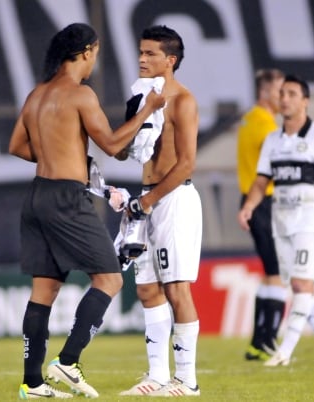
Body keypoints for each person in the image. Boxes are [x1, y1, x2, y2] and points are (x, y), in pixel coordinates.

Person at [8, 23, 165, 399]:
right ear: (86, 51)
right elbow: (111, 145)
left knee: (44, 289)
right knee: (109, 279)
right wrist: (147, 109)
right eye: (95, 52)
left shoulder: (37, 94)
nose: (96, 58)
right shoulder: (80, 94)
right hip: (65, 198)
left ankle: (32, 384)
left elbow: (16, 145)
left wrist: (53, 153)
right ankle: (68, 360)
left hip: (37, 195)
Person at [238, 75, 314, 367]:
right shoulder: (272, 140)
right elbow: (261, 180)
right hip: (282, 223)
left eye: (292, 93)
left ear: (305, 101)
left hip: (311, 223)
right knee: (301, 289)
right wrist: (249, 207)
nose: (285, 98)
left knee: (303, 284)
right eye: (282, 94)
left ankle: (285, 351)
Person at [118, 25, 203, 397]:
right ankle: (157, 376)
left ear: (170, 61)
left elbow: (186, 163)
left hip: (173, 200)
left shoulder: (183, 100)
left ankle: (187, 381)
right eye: (140, 52)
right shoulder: (141, 98)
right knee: (148, 289)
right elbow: (121, 151)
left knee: (176, 289)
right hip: (147, 198)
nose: (141, 59)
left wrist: (148, 202)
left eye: (150, 53)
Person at [235, 68, 286, 361]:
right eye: (280, 91)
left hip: (252, 201)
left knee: (270, 274)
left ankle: (258, 342)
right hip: (264, 202)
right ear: (266, 93)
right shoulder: (265, 125)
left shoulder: (248, 120)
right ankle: (268, 344)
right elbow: (274, 170)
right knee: (277, 273)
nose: (283, 97)